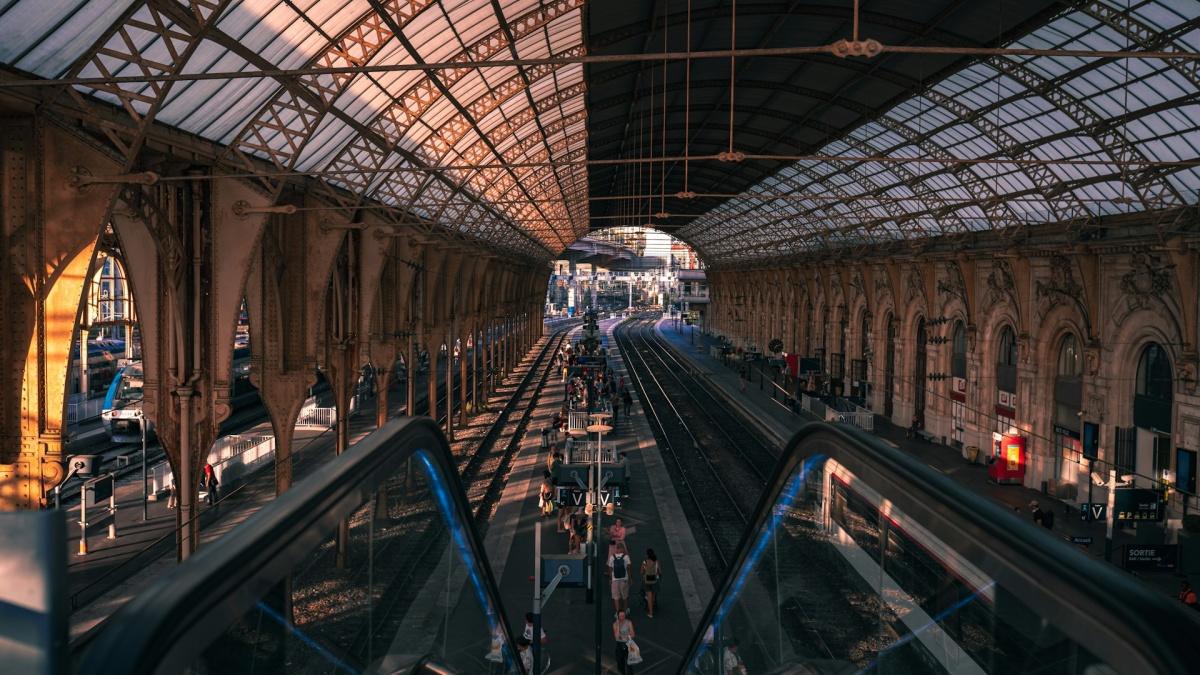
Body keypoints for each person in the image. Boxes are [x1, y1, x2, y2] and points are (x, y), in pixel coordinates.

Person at [610, 542, 633, 614]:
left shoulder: (612, 557)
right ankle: (625, 610)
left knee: (616, 597)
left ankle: (617, 612)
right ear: (623, 549)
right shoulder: (626, 557)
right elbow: (628, 568)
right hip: (624, 579)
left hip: (615, 579)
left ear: (616, 549)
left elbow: (610, 569)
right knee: (625, 596)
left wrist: (610, 579)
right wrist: (630, 578)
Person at [612, 610, 635, 674]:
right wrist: (618, 625)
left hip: (628, 644)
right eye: (621, 616)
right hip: (620, 645)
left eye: (623, 616)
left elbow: (633, 634)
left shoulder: (629, 622)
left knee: (629, 664)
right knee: (620, 663)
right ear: (618, 617)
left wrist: (624, 637)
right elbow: (616, 636)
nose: (622, 617)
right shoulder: (615, 624)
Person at [640, 548, 660, 618]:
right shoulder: (656, 561)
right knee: (653, 595)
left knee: (649, 596)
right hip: (655, 580)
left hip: (647, 581)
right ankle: (653, 603)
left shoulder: (644, 562)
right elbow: (659, 572)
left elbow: (641, 572)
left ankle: (650, 613)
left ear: (647, 555)